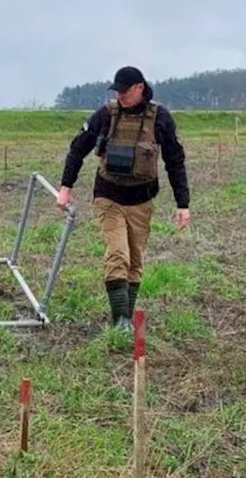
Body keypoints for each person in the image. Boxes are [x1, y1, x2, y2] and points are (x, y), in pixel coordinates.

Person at [56, 66, 190, 332]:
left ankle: (126, 317)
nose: (121, 96)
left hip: (141, 200)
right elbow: (78, 148)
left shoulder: (160, 118)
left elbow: (175, 161)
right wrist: (65, 186)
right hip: (109, 196)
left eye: (126, 91)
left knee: (135, 260)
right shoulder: (106, 115)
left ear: (140, 88)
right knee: (118, 254)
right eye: (117, 91)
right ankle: (120, 321)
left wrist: (182, 204)